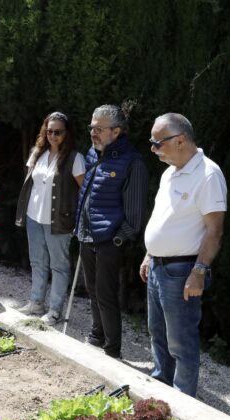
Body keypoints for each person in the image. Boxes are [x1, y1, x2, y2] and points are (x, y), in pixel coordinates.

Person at [140, 113, 226, 397]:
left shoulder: (208, 175)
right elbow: (163, 218)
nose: (153, 148)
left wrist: (199, 272)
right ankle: (160, 396)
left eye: (157, 143)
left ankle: (182, 404)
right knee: (158, 335)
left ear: (180, 140)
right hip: (158, 267)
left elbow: (214, 231)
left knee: (181, 342)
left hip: (182, 271)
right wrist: (149, 254)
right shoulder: (169, 172)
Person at [75, 104, 148, 358]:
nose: (93, 133)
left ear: (116, 131)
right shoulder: (93, 154)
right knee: (92, 290)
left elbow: (136, 212)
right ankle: (96, 336)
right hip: (87, 234)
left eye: (99, 128)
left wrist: (119, 237)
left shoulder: (132, 162)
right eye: (91, 127)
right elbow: (87, 195)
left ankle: (112, 350)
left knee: (106, 294)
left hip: (109, 239)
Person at [15, 111, 85, 326]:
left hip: (59, 221)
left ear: (67, 133)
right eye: (49, 131)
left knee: (59, 266)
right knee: (37, 262)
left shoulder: (75, 158)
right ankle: (36, 302)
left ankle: (54, 310)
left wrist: (81, 220)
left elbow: (83, 191)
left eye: (58, 132)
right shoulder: (37, 153)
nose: (52, 136)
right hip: (34, 217)